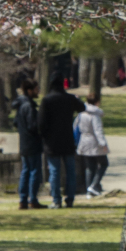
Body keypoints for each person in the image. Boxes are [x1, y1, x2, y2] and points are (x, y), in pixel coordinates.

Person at [40, 74, 85, 209]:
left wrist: (44, 137)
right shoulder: (69, 99)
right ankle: (70, 198)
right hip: (67, 139)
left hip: (52, 141)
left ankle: (56, 199)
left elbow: (41, 123)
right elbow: (82, 108)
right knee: (70, 171)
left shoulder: (46, 100)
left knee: (54, 172)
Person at [15, 79, 44, 209]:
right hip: (32, 143)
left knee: (25, 171)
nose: (38, 92)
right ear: (29, 90)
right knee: (34, 171)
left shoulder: (21, 105)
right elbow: (33, 126)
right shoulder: (29, 106)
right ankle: (33, 198)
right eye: (36, 89)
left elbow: (16, 123)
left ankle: (23, 199)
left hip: (23, 142)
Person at [75, 92, 109, 198]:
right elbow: (98, 130)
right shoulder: (95, 115)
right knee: (104, 163)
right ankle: (93, 185)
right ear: (97, 102)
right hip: (94, 142)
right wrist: (103, 143)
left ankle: (89, 190)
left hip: (84, 141)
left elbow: (75, 127)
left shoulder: (81, 114)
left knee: (89, 167)